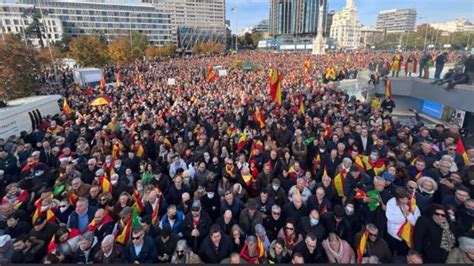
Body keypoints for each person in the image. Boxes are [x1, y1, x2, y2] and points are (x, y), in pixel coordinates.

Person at [386, 188, 421, 257]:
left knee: (404, 254)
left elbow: (416, 222)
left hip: (408, 235)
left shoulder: (413, 205)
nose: (406, 201)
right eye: (403, 199)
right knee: (392, 252)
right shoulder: (391, 203)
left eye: (407, 199)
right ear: (398, 199)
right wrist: (403, 216)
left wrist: (408, 215)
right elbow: (391, 218)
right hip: (394, 234)